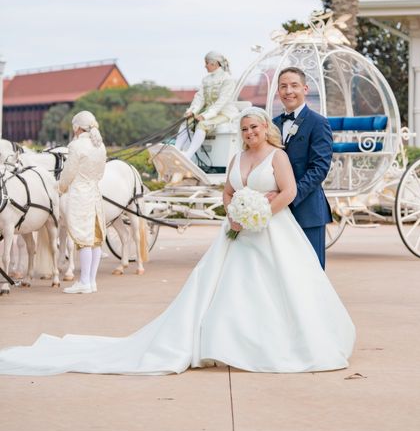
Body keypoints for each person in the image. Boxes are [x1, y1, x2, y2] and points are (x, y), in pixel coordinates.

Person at [0, 107, 354, 376]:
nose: (249, 133)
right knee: (221, 288)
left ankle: (273, 342)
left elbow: (289, 191)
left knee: (280, 288)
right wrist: (234, 212)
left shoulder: (278, 157)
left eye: (254, 127)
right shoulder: (237, 157)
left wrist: (259, 214)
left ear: (265, 128)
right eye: (245, 129)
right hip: (236, 233)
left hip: (271, 231)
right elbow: (229, 191)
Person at [273, 67, 333, 269]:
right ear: (278, 92)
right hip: (277, 214)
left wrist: (290, 195)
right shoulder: (271, 126)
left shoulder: (318, 123)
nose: (288, 91)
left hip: (307, 209)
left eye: (294, 85)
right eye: (283, 86)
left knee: (312, 270)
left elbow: (319, 168)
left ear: (305, 89)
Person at [59, 110, 107, 294]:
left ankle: (84, 282)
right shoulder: (100, 146)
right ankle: (91, 281)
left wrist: (61, 187)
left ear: (77, 128)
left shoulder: (76, 146)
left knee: (83, 239)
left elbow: (69, 172)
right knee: (95, 239)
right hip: (95, 194)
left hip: (80, 195)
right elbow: (101, 174)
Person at [174, 51, 238, 159]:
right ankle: (176, 150)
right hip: (210, 113)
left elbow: (222, 102)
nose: (205, 66)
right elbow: (199, 98)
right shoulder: (206, 80)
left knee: (202, 124)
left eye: (207, 63)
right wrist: (192, 111)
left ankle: (188, 155)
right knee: (187, 122)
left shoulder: (228, 79)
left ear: (214, 63)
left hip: (225, 114)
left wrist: (205, 116)